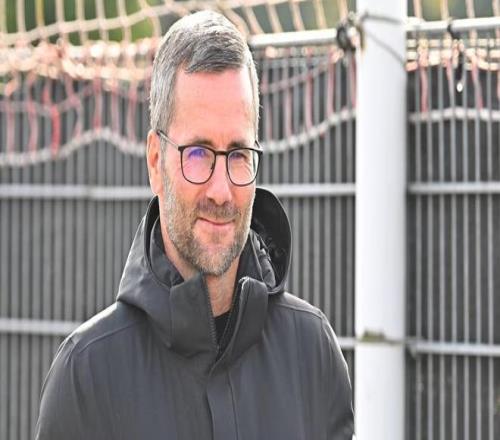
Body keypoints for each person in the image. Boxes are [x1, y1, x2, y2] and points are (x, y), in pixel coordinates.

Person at [35, 11, 354, 440]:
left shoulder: (312, 353)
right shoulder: (87, 377)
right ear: (155, 162)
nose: (221, 191)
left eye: (238, 154)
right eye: (198, 154)